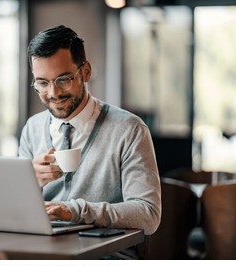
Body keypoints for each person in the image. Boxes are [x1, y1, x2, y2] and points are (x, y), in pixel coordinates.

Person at [18, 25, 161, 237]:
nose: (53, 93)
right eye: (42, 83)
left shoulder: (129, 130)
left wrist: (74, 211)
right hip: (43, 250)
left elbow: (148, 214)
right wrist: (30, 182)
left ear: (85, 72)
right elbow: (17, 211)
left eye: (63, 80)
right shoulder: (32, 128)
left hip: (105, 256)